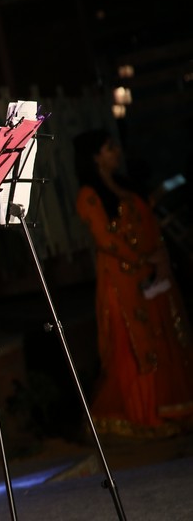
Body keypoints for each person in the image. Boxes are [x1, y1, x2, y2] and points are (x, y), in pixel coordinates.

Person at [73, 128, 193, 437]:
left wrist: (159, 257)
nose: (116, 152)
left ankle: (168, 407)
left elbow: (150, 225)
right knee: (134, 344)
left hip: (151, 274)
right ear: (95, 157)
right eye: (109, 148)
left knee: (163, 334)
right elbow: (106, 239)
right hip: (120, 280)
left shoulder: (125, 185)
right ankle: (141, 413)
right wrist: (144, 258)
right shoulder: (89, 195)